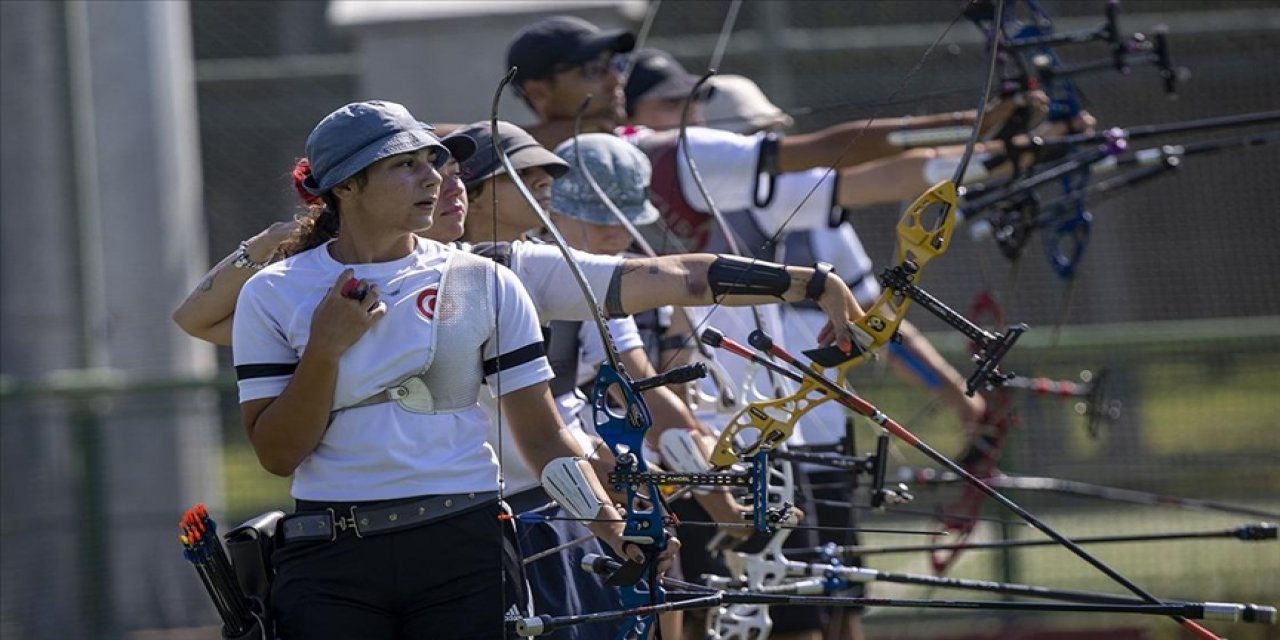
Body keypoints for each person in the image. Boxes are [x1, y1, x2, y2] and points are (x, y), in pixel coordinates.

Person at [230, 100, 654, 639]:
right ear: (345, 185)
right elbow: (278, 453)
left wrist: (617, 531)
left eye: (434, 162)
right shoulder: (272, 291)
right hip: (331, 553)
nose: (433, 178)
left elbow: (545, 438)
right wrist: (324, 349)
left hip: (465, 546)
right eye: (405, 165)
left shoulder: (486, 281)